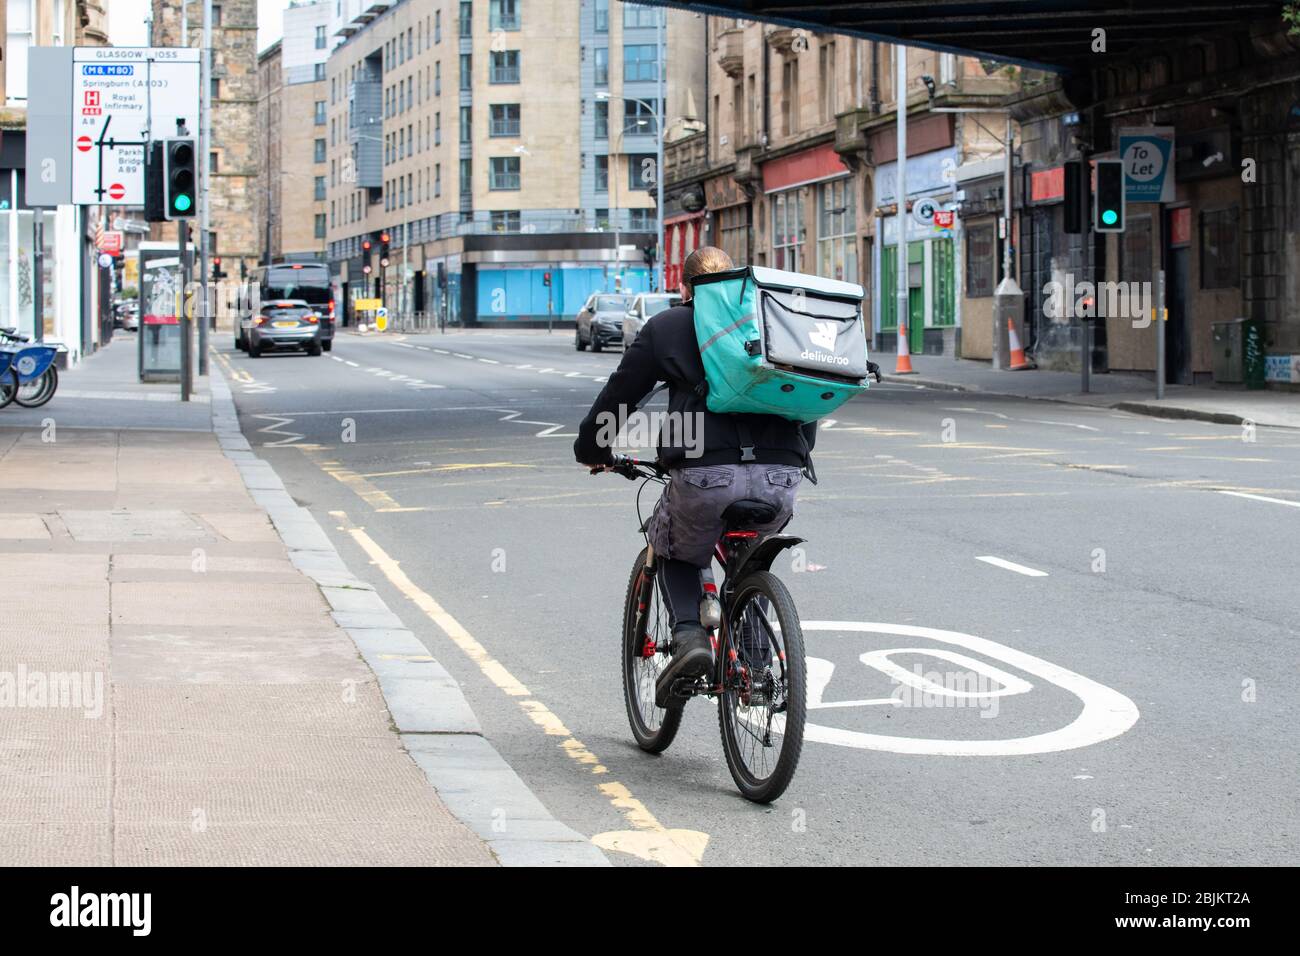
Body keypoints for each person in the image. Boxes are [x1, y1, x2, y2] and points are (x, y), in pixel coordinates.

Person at [574, 247, 816, 705]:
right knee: (751, 559)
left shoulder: (668, 327)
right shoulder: (770, 322)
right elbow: (807, 398)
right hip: (782, 476)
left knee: (672, 541)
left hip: (706, 472)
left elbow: (619, 395)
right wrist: (791, 457)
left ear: (683, 287)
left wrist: (593, 449)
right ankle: (757, 663)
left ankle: (688, 639)